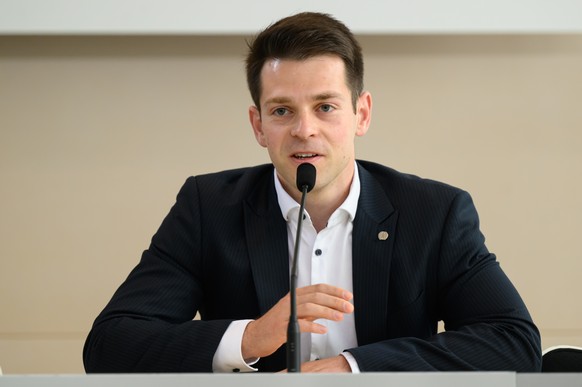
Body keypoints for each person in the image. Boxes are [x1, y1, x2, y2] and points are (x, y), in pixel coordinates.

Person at [83, 12, 541, 373]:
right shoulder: (208, 208)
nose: (305, 130)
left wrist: (351, 367)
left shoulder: (434, 212)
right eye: (282, 110)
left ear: (361, 114)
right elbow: (110, 345)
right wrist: (250, 337)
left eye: (326, 107)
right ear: (258, 125)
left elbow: (513, 342)